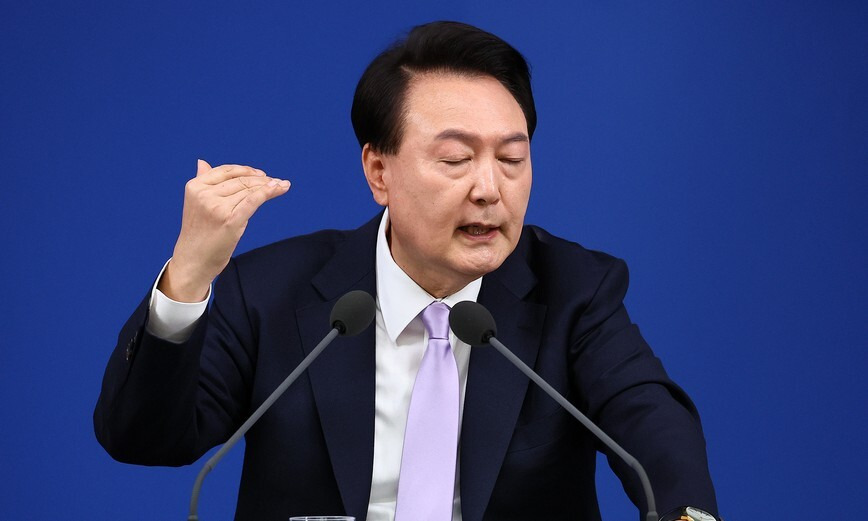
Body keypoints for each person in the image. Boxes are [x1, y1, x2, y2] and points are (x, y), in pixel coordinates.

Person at [95, 21, 720, 521]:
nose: (489, 189)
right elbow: (144, 439)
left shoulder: (574, 290)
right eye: (455, 159)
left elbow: (651, 422)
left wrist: (686, 515)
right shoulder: (272, 291)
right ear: (379, 172)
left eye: (511, 159)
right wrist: (188, 278)